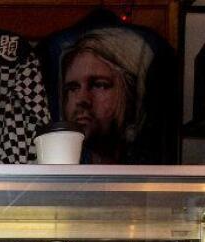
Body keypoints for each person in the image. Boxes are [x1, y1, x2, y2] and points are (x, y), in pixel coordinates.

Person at [61, 29, 153, 164]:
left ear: (133, 94)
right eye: (73, 88)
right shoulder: (59, 174)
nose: (81, 99)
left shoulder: (153, 178)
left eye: (99, 85)